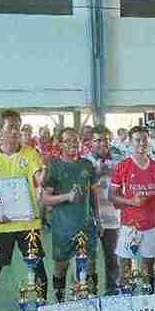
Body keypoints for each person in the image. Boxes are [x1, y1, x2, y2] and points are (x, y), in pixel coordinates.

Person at [0, 109, 47, 311]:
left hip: (28, 224)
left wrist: (42, 178)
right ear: (1, 129)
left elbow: (38, 178)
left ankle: (44, 310)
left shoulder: (30, 153)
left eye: (19, 126)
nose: (16, 131)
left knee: (39, 268)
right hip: (1, 225)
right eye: (11, 127)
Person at [42, 128, 100, 301]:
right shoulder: (55, 165)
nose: (73, 143)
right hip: (63, 227)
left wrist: (99, 220)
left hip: (86, 224)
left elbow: (94, 195)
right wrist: (67, 196)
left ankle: (91, 302)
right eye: (68, 140)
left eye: (75, 139)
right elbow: (45, 198)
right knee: (61, 267)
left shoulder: (87, 165)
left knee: (90, 265)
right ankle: (59, 304)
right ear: (60, 144)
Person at [110, 126, 155, 293]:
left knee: (149, 266)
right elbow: (112, 195)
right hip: (129, 225)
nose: (141, 143)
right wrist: (131, 201)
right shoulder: (122, 166)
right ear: (130, 142)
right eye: (137, 140)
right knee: (125, 265)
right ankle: (125, 300)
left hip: (150, 225)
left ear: (149, 141)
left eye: (144, 139)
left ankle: (148, 300)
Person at [83, 125, 122, 295]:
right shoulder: (83, 162)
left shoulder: (118, 160)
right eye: (97, 140)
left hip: (112, 216)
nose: (102, 143)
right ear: (90, 143)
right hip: (89, 217)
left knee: (112, 258)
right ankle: (90, 294)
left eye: (105, 139)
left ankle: (112, 293)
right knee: (88, 259)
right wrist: (97, 174)